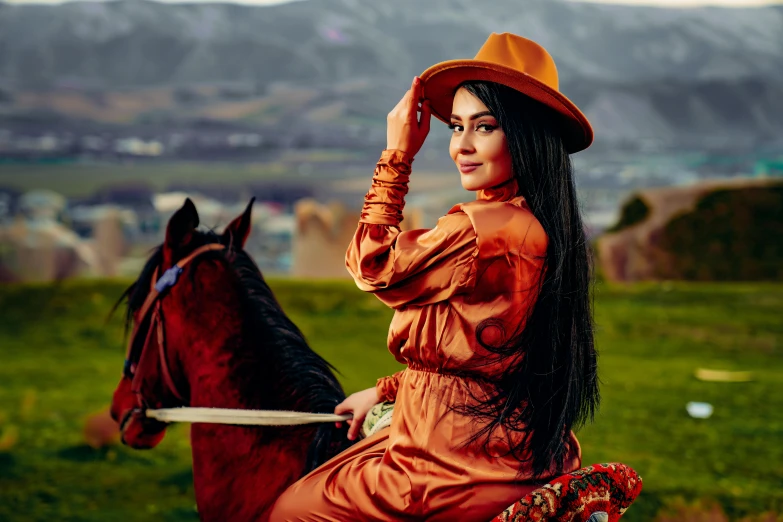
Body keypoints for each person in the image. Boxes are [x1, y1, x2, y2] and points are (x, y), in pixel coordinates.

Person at [270, 32, 599, 522]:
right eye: (455, 127)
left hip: (446, 463)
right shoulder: (542, 225)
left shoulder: (480, 228)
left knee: (291, 510)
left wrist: (397, 154)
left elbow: (373, 264)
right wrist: (385, 392)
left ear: (526, 134)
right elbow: (484, 359)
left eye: (483, 128)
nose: (461, 147)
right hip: (511, 447)